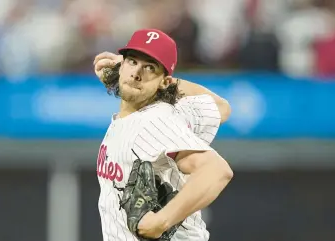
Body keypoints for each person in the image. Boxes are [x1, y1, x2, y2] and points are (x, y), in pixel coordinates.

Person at [93, 28, 233, 241]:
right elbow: (222, 107)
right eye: (132, 61)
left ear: (165, 82)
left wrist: (161, 221)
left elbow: (217, 170)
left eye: (150, 67)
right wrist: (160, 82)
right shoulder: (177, 110)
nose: (136, 73)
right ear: (121, 65)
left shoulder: (153, 122)